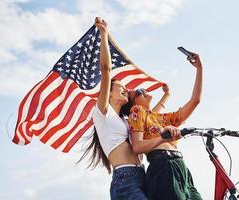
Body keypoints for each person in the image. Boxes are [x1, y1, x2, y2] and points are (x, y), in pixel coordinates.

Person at [78, 17, 147, 200]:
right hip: (126, 179)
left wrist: (166, 95)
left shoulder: (126, 120)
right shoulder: (103, 112)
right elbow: (106, 69)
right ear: (107, 93)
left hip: (142, 175)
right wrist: (104, 34)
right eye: (120, 87)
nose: (125, 89)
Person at [127, 53, 203, 200]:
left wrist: (199, 68)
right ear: (133, 104)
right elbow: (137, 147)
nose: (144, 91)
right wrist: (162, 138)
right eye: (138, 92)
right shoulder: (137, 111)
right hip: (163, 165)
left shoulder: (161, 118)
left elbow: (195, 101)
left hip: (180, 166)